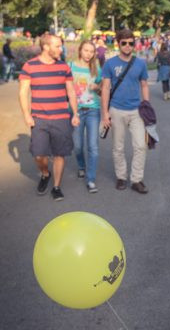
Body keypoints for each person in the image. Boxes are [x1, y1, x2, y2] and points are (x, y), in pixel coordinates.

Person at [18, 34, 80, 201]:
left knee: (60, 153)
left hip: (61, 117)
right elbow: (23, 92)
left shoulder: (64, 67)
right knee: (39, 154)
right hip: (39, 117)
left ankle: (56, 186)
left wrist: (75, 113)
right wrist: (26, 115)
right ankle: (45, 173)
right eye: (58, 46)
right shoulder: (29, 66)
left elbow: (71, 91)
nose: (61, 49)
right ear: (46, 47)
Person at [101, 28, 150, 194]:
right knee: (118, 147)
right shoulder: (110, 64)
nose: (128, 46)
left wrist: (147, 106)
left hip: (137, 111)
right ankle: (121, 177)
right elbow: (106, 88)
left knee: (141, 146)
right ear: (118, 43)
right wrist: (104, 114)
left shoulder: (140, 63)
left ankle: (136, 179)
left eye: (131, 43)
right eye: (124, 43)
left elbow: (144, 85)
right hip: (116, 110)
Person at [70, 40, 102, 193]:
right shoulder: (71, 67)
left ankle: (91, 179)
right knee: (77, 146)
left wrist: (97, 87)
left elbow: (102, 89)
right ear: (80, 50)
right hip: (76, 111)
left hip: (93, 110)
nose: (88, 54)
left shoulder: (96, 68)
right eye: (86, 50)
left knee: (93, 147)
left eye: (91, 51)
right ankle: (81, 166)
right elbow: (65, 88)